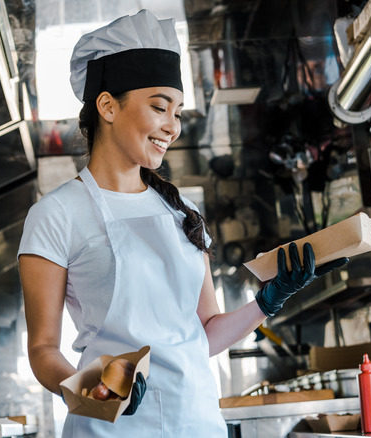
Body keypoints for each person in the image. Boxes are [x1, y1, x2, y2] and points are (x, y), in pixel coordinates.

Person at [17, 10, 348, 437]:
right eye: (159, 107)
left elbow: (203, 335)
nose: (172, 127)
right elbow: (43, 349)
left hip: (196, 424)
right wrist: (88, 388)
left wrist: (269, 299)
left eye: (177, 111)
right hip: (109, 428)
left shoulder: (182, 213)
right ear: (107, 105)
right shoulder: (56, 215)